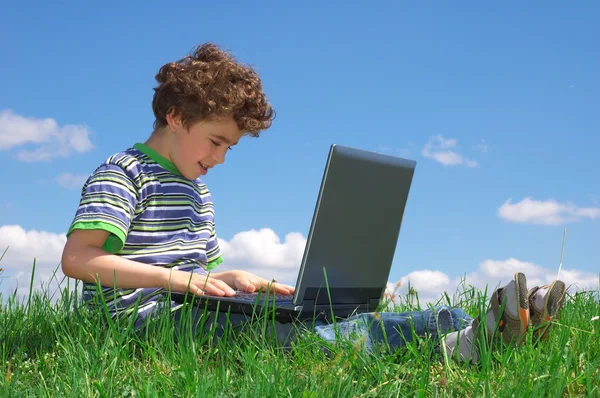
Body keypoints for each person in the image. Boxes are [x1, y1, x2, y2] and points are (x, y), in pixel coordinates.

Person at [60, 43, 566, 362]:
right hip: (147, 322)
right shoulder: (122, 173)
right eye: (216, 142)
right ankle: (462, 345)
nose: (220, 158)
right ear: (175, 116)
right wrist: (177, 280)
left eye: (228, 148)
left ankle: (470, 324)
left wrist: (233, 279)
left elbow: (203, 271)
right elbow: (78, 260)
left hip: (193, 306)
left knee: (311, 314)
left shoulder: (197, 191)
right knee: (293, 340)